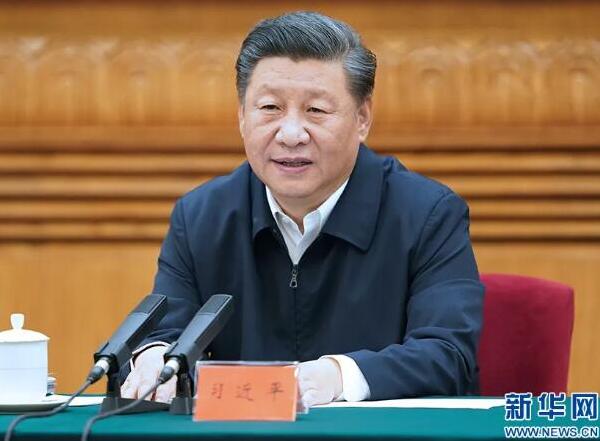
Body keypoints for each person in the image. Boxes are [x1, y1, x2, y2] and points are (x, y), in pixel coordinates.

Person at [121, 11, 484, 407]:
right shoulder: (201, 217)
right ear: (241, 116)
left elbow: (448, 354)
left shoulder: (427, 214)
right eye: (270, 108)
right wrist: (153, 357)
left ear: (362, 118)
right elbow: (167, 332)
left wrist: (338, 375)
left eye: (316, 111)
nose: (291, 134)